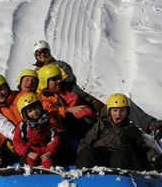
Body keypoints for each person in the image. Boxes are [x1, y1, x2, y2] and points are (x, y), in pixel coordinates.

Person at [33, 39, 162, 137]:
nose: (42, 55)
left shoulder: (59, 65)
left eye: (45, 51)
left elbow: (71, 79)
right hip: (71, 115)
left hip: (83, 102)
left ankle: (151, 125)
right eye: (39, 52)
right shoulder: (37, 76)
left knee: (120, 103)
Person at [76, 93, 162, 171]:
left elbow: (142, 148)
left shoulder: (131, 128)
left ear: (127, 112)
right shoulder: (102, 124)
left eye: (122, 111)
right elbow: (87, 140)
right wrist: (82, 153)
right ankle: (86, 179)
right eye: (115, 110)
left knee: (121, 156)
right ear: (109, 112)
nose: (118, 114)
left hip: (120, 155)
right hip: (101, 153)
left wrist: (154, 156)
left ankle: (118, 182)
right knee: (88, 154)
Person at [37, 64, 97, 140]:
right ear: (44, 81)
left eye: (59, 78)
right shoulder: (42, 98)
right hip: (65, 131)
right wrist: (68, 110)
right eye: (54, 79)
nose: (59, 81)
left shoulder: (63, 91)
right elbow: (49, 112)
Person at [13, 92, 63, 169]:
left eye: (35, 108)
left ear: (40, 107)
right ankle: (31, 177)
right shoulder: (23, 126)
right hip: (31, 152)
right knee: (29, 164)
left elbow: (55, 138)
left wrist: (49, 152)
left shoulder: (49, 121)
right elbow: (17, 142)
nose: (34, 112)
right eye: (30, 111)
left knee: (48, 164)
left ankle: (51, 177)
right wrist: (28, 153)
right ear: (25, 114)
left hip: (46, 151)